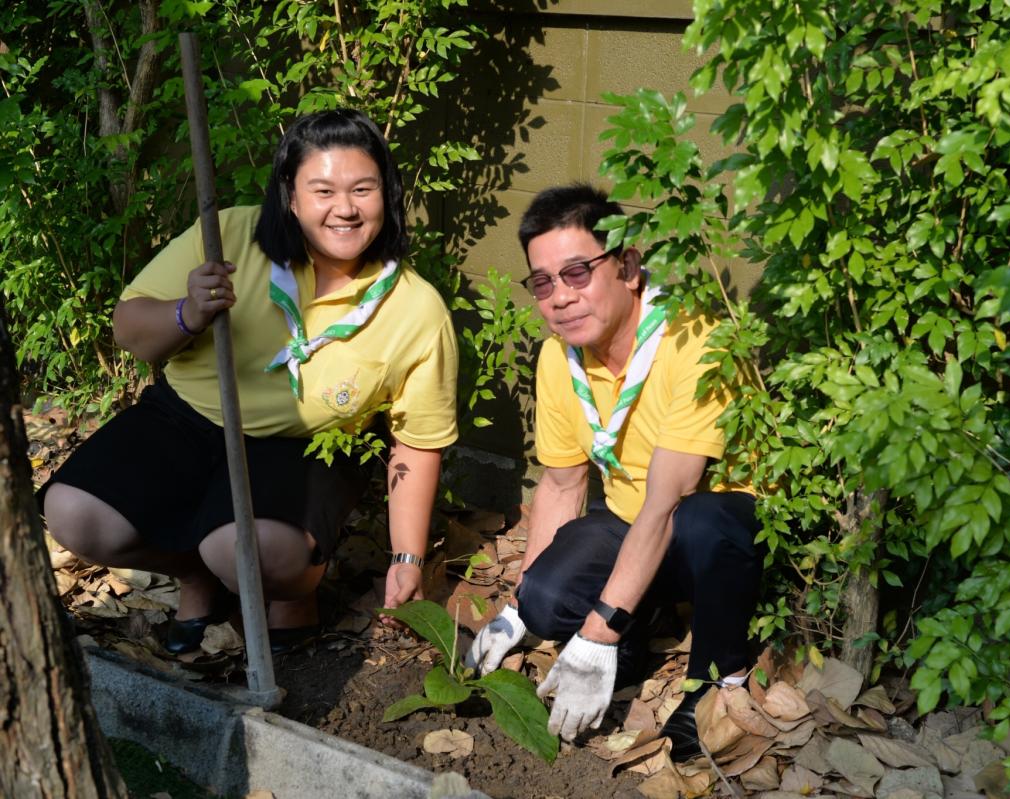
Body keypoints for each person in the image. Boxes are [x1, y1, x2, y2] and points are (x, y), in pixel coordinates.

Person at [40, 109, 457, 654]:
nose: (346, 209)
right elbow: (129, 329)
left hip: (305, 447)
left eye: (363, 189)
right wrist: (188, 312)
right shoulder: (229, 236)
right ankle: (196, 572)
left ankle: (288, 594)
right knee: (75, 513)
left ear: (388, 193)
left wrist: (407, 559)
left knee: (250, 548)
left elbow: (417, 443)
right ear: (290, 196)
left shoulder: (416, 308)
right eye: (323, 190)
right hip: (187, 419)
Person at [466, 183, 762, 759]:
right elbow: (560, 484)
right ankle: (632, 634)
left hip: (716, 537)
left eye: (577, 272)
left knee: (704, 518)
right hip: (637, 526)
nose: (559, 298)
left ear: (627, 266)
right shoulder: (560, 355)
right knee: (546, 599)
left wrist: (598, 630)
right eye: (543, 282)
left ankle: (716, 681)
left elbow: (669, 503)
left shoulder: (694, 340)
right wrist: (517, 609)